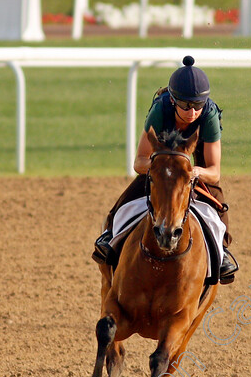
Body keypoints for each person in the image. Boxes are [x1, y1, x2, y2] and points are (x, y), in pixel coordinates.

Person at [92, 55, 239, 285]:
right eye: (186, 105)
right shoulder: (160, 111)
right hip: (160, 157)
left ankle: (222, 252)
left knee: (217, 200)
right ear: (173, 100)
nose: (192, 112)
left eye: (197, 105)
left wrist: (195, 172)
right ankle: (111, 235)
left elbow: (214, 170)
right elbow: (139, 161)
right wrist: (161, 167)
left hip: (193, 160)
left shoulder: (208, 116)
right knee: (134, 192)